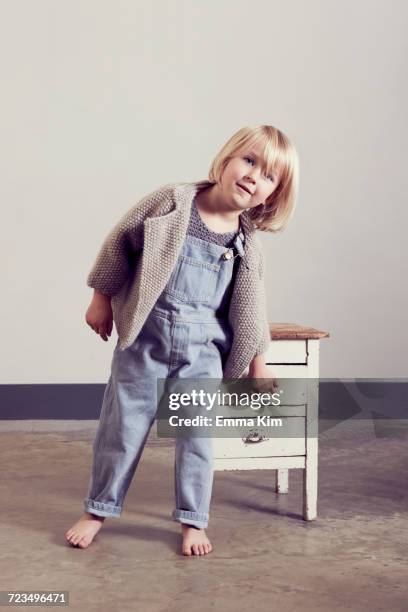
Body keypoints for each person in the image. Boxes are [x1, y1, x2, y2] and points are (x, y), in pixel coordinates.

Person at [65, 124, 299, 556]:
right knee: (121, 429)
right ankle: (98, 508)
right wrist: (100, 298)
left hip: (202, 353)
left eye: (268, 175)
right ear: (227, 159)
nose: (253, 176)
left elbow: (251, 307)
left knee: (197, 437)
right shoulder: (171, 202)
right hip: (144, 342)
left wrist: (258, 366)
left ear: (272, 196)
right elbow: (119, 243)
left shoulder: (246, 241)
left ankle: (193, 519)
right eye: (249, 161)